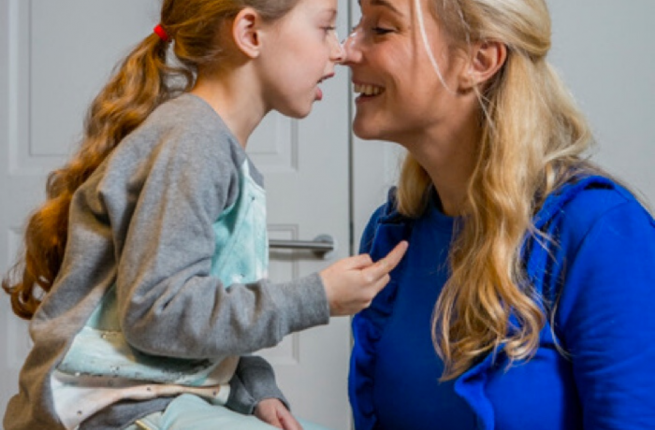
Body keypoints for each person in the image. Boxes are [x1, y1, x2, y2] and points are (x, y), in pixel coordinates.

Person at [1, 0, 408, 429]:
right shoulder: (193, 143)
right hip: (104, 408)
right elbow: (158, 312)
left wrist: (254, 388)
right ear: (250, 32)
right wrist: (316, 298)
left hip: (157, 399)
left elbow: (205, 303)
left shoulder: (212, 145)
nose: (339, 51)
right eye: (325, 27)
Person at [341, 0, 655, 428]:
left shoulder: (600, 232)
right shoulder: (390, 235)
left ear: (479, 59)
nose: (346, 49)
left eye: (382, 29)